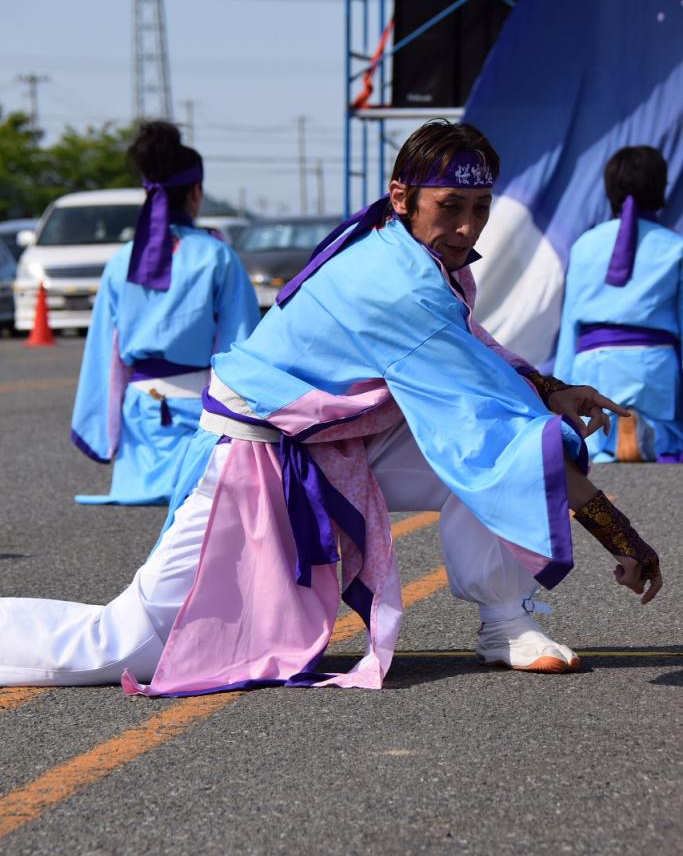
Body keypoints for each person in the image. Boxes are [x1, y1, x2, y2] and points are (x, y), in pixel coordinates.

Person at [0, 121, 662, 694]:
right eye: (450, 204)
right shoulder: (396, 280)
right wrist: (622, 536)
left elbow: (474, 357)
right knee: (128, 643)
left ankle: (505, 623)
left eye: (481, 206)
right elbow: (485, 409)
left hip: (330, 442)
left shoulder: (416, 253)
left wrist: (548, 387)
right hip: (254, 457)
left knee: (501, 456)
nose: (466, 225)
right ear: (400, 197)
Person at [70, 121, 260, 504]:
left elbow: (104, 356)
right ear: (196, 192)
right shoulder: (216, 255)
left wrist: (101, 430)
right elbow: (239, 345)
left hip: (139, 422)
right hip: (204, 422)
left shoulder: (122, 260)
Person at [555, 145, 683, 463]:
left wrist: (559, 385)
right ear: (660, 187)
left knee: (595, 442)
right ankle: (647, 433)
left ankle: (613, 441)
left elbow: (571, 322)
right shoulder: (675, 247)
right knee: (670, 434)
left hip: (594, 365)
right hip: (653, 366)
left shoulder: (584, 245)